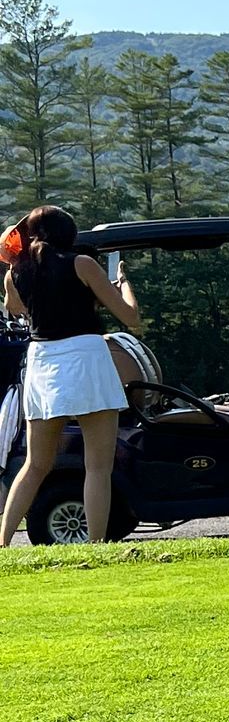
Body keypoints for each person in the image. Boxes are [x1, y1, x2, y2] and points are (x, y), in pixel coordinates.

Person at [1, 207, 143, 546]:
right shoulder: (83, 264)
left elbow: (15, 308)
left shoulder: (15, 273)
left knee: (36, 464)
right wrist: (123, 284)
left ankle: (3, 543)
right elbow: (130, 317)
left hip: (42, 362)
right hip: (86, 359)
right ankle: (96, 543)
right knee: (97, 466)